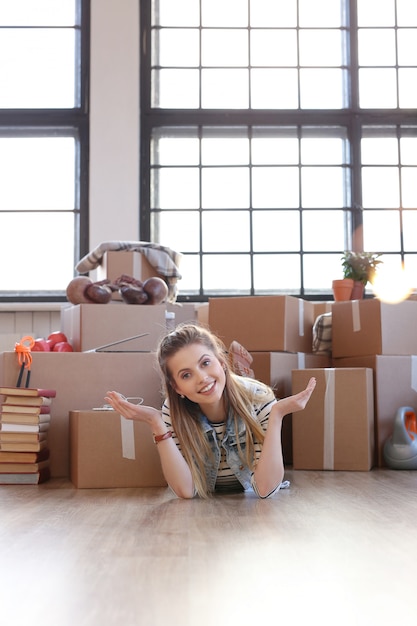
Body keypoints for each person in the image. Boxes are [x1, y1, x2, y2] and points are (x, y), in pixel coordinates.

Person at [105, 322, 316, 499]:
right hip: (206, 502)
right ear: (177, 388)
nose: (202, 378)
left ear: (222, 361)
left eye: (205, 363)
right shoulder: (173, 410)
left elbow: (266, 489)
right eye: (186, 375)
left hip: (248, 498)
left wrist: (276, 415)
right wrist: (155, 422)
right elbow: (185, 491)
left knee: (247, 398)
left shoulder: (258, 398)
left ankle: (243, 373)